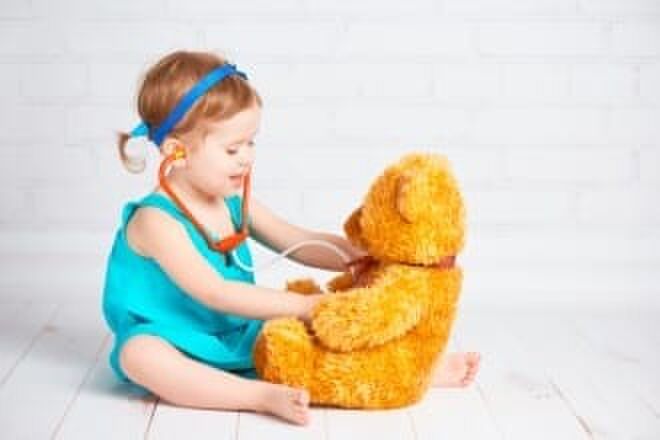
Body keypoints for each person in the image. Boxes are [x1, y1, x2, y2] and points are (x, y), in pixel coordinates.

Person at [102, 50, 480, 426]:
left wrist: (359, 257)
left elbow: (295, 239)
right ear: (177, 153)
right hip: (175, 337)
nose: (246, 157)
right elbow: (216, 293)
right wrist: (306, 305)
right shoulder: (155, 221)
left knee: (318, 332)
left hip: (239, 330)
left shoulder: (232, 200)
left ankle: (417, 371)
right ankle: (257, 396)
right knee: (139, 355)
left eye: (251, 142)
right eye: (232, 149)